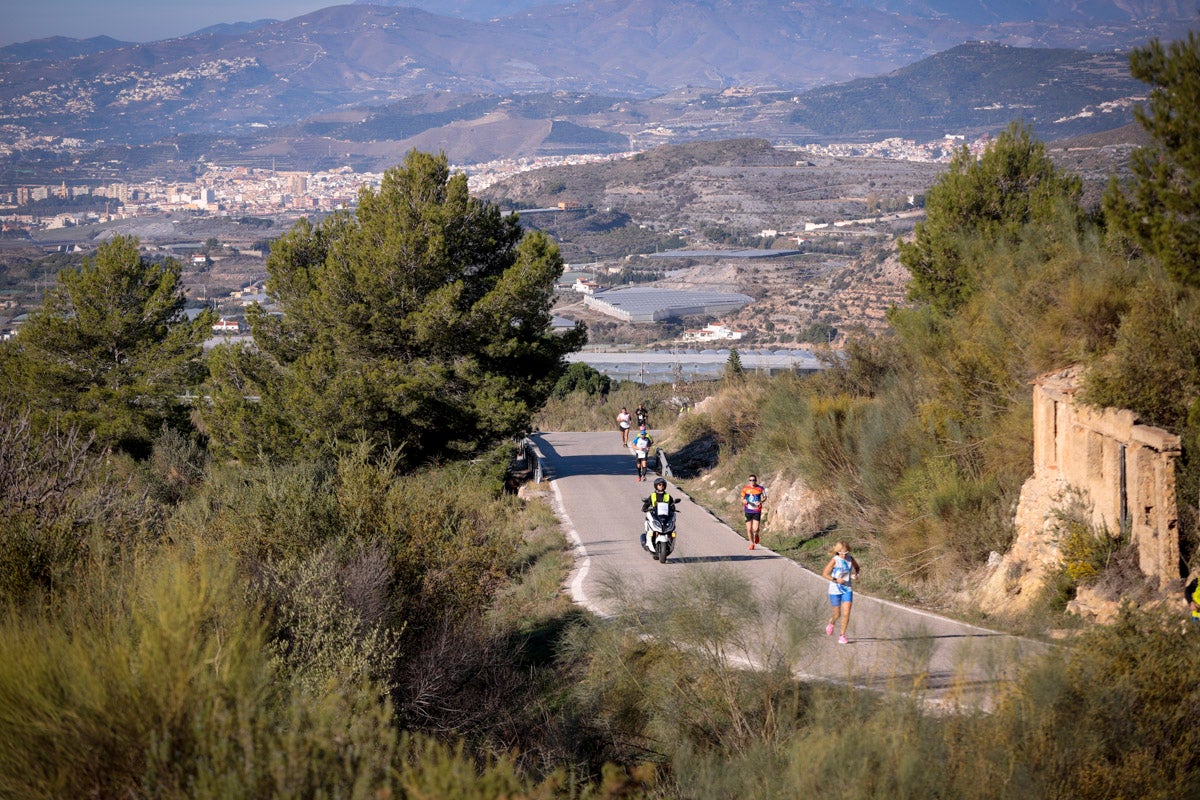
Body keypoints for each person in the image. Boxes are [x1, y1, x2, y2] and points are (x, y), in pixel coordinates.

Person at [822, 541, 861, 644]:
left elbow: (857, 568)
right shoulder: (834, 560)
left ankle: (842, 636)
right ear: (838, 552)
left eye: (846, 552)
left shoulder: (850, 559)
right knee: (837, 614)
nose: (844, 555)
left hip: (847, 589)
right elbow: (825, 574)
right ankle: (831, 623)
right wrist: (836, 580)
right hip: (835, 589)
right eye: (842, 553)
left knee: (847, 612)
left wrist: (856, 575)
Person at [641, 476, 678, 550]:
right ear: (656, 486)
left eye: (662, 485)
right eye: (659, 485)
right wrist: (645, 508)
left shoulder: (668, 496)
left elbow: (672, 505)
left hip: (665, 516)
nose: (661, 486)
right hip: (654, 515)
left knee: (672, 526)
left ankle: (670, 540)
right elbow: (647, 504)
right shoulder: (652, 495)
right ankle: (648, 541)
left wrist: (673, 508)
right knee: (649, 526)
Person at [740, 474, 766, 549]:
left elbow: (765, 497)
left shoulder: (760, 488)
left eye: (753, 480)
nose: (752, 481)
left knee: (755, 528)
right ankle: (751, 544)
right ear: (749, 481)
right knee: (749, 529)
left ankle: (756, 534)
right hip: (748, 510)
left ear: (756, 480)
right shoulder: (745, 489)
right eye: (750, 480)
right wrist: (743, 500)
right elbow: (742, 498)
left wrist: (761, 501)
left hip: (756, 510)